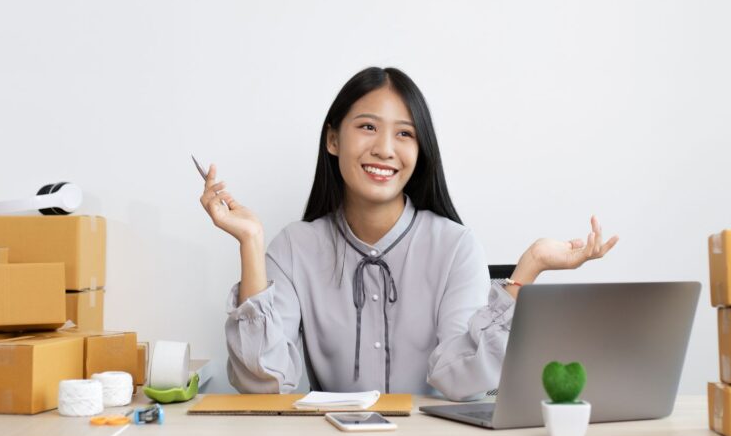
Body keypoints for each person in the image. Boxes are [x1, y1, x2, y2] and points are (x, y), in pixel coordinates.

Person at [201, 67, 618, 401]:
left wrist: (530, 268)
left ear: (420, 152)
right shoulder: (294, 247)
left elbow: (461, 381)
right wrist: (251, 244)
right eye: (367, 127)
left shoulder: (455, 247)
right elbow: (266, 387)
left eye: (404, 133)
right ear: (333, 138)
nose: (385, 148)